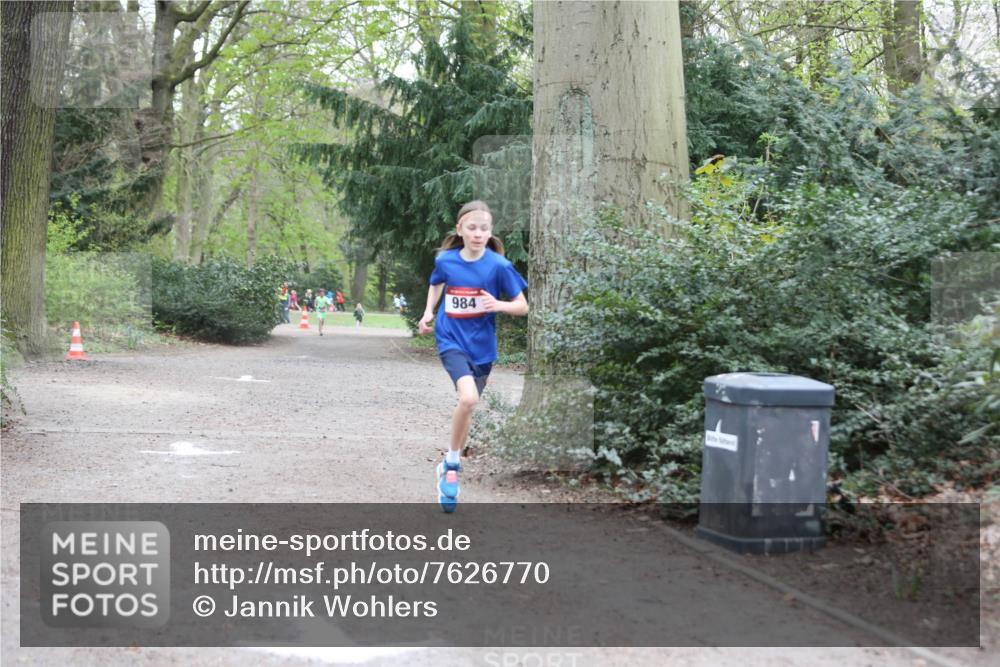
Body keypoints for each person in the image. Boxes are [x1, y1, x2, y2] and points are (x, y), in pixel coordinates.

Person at [418, 200, 528, 513]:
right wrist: (428, 312)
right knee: (468, 399)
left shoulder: (499, 266)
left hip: (483, 348)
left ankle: (447, 464)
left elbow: (523, 305)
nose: (478, 233)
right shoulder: (447, 260)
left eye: (484, 228)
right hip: (451, 339)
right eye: (472, 228)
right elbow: (436, 283)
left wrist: (500, 306)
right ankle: (452, 464)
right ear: (460, 230)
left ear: (489, 232)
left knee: (468, 407)